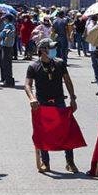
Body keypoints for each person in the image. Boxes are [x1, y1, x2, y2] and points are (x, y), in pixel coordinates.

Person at [24, 38, 78, 173]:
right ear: (42, 50)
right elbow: (27, 85)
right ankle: (45, 162)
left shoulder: (59, 63)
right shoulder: (33, 66)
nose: (54, 51)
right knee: (43, 133)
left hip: (59, 101)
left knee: (66, 132)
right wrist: (32, 98)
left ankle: (70, 162)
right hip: (42, 103)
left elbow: (67, 81)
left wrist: (72, 98)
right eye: (51, 48)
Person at [0, 14, 16, 87]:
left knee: (5, 64)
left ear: (7, 19)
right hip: (10, 46)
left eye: (5, 19)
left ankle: (8, 81)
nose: (4, 20)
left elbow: (2, 34)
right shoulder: (12, 25)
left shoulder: (8, 26)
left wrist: (0, 33)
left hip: (6, 46)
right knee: (9, 64)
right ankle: (10, 80)